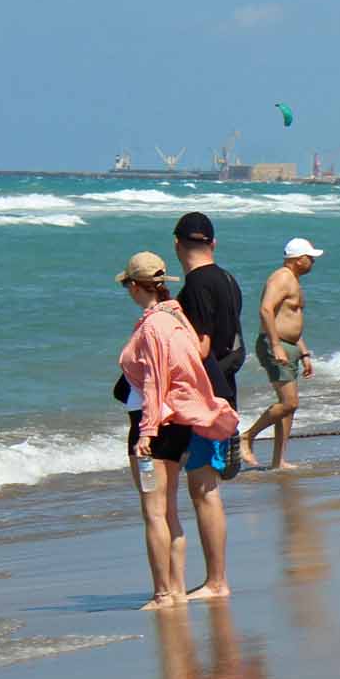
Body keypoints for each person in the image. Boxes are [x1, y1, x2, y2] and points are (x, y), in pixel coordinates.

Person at [117, 252, 240, 610]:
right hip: (176, 424)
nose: (127, 290)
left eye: (128, 284)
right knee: (168, 512)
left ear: (137, 287)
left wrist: (146, 432)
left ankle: (163, 593)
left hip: (153, 424)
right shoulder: (177, 317)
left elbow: (157, 381)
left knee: (156, 513)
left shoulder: (155, 325)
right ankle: (175, 588)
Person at [172, 212, 243, 600]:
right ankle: (216, 578)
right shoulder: (229, 280)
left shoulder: (196, 284)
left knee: (203, 488)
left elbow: (200, 347)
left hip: (204, 400)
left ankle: (217, 581)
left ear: (176, 243)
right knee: (207, 485)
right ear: (213, 244)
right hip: (225, 390)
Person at [240, 238, 322, 471]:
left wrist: (304, 352)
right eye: (310, 258)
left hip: (291, 345)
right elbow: (266, 308)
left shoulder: (293, 279)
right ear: (298, 259)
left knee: (289, 406)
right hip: (277, 345)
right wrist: (275, 345)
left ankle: (279, 461)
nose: (313, 262)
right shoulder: (282, 277)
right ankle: (247, 437)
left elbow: (291, 318)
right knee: (289, 403)